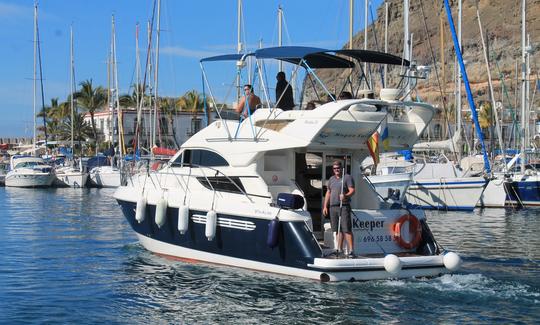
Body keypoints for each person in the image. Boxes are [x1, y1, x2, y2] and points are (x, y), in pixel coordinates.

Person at [322, 159, 356, 257]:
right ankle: (339, 249)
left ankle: (351, 251)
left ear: (341, 168)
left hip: (344, 206)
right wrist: (325, 206)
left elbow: (352, 190)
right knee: (337, 230)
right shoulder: (332, 179)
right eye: (335, 168)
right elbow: (328, 192)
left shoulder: (347, 177)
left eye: (338, 168)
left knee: (346, 229)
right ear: (333, 169)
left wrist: (346, 195)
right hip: (333, 207)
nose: (336, 170)